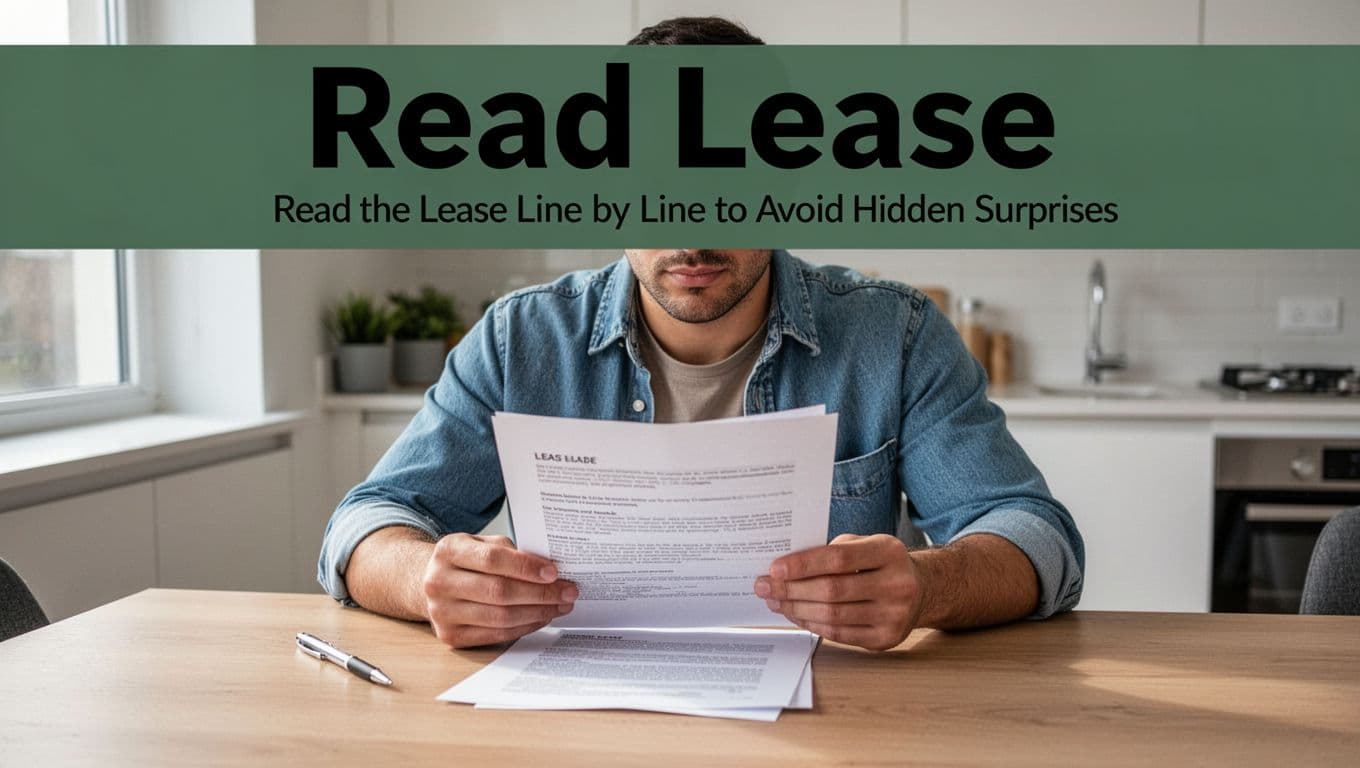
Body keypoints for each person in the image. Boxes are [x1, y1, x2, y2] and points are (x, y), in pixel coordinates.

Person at [318, 19, 1083, 653]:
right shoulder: (523, 338)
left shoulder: (897, 335)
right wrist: (428, 580)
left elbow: (1037, 537)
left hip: (835, 719)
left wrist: (927, 586)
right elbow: (364, 525)